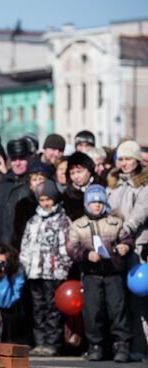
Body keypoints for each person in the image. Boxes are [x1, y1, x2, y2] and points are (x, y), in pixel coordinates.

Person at [67, 184, 133, 362]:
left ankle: (122, 345)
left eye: (100, 202)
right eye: (93, 202)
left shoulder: (115, 223)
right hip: (91, 275)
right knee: (92, 312)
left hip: (113, 274)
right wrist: (87, 255)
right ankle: (95, 345)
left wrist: (125, 246)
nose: (96, 205)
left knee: (118, 310)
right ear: (87, 204)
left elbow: (127, 238)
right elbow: (71, 247)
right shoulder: (78, 225)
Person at [19, 180, 71, 356]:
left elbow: (66, 247)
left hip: (54, 273)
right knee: (38, 308)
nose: (46, 203)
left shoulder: (62, 220)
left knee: (52, 309)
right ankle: (40, 342)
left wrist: (63, 267)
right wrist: (25, 265)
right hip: (34, 272)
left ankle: (52, 342)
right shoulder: (33, 220)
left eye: (49, 199)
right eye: (42, 200)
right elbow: (26, 245)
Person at [106, 140, 148, 360]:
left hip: (137, 245)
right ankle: (118, 345)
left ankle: (141, 346)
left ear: (137, 160)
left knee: (138, 298)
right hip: (113, 246)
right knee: (116, 298)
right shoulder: (112, 184)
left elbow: (141, 212)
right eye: (121, 159)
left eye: (129, 158)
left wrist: (125, 229)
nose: (124, 163)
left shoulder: (143, 184)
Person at [0, 138, 32, 247]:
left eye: (21, 158)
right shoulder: (3, 182)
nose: (17, 163)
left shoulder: (35, 182)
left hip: (26, 246)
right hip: (3, 246)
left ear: (29, 158)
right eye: (14, 159)